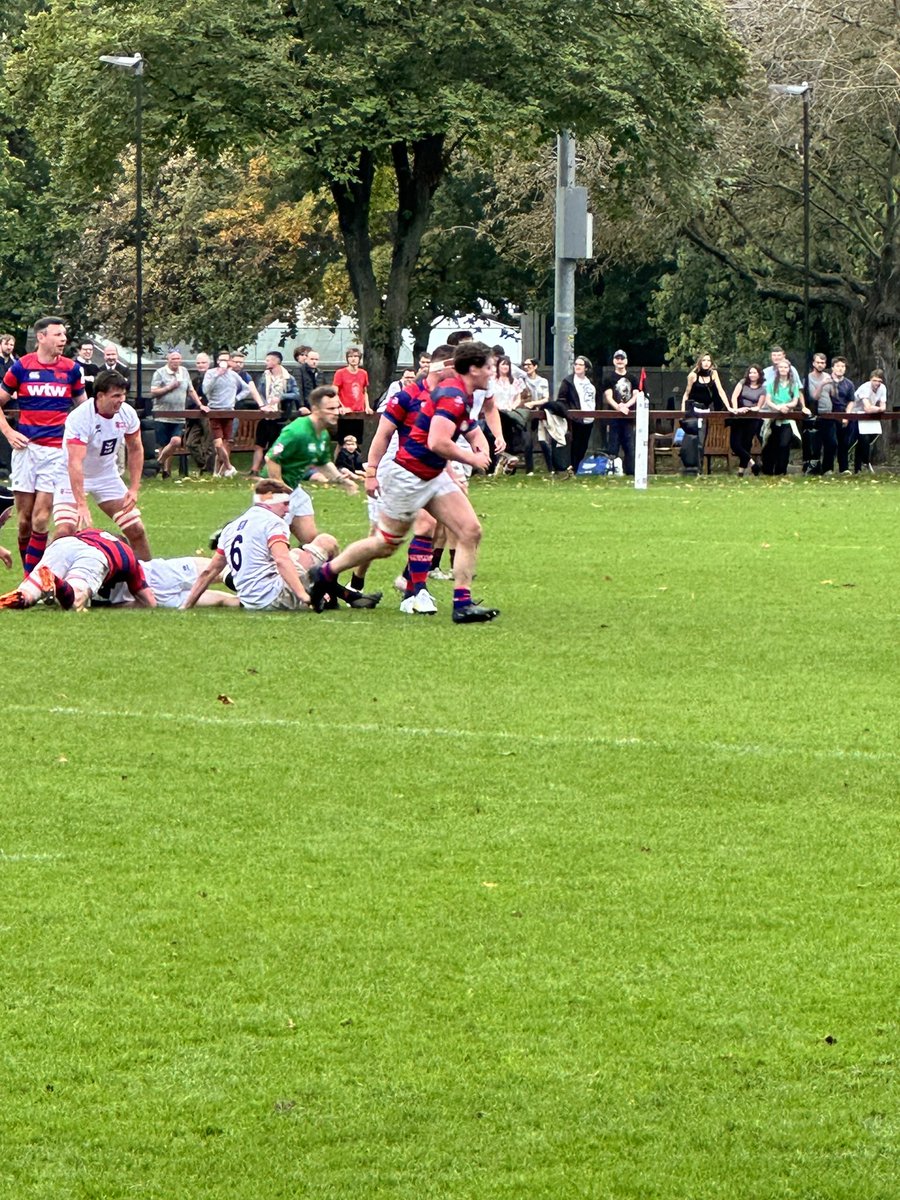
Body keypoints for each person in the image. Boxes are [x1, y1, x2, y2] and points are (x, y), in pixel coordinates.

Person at [306, 340, 500, 624]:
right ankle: (324, 573)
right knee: (385, 543)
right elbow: (437, 441)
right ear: (473, 369)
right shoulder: (452, 395)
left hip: (432, 474)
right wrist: (471, 459)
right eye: (489, 367)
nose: (492, 373)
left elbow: (464, 425)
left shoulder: (462, 393)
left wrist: (477, 450)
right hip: (408, 475)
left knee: (470, 530)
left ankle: (462, 604)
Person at [0, 315, 86, 573]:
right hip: (25, 451)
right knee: (24, 521)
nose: (64, 339)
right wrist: (8, 432)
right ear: (41, 337)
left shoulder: (71, 369)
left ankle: (32, 579)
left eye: (64, 335)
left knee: (40, 518)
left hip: (55, 452)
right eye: (58, 334)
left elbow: (84, 409)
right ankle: (32, 576)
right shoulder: (21, 367)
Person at [52, 368, 151, 560]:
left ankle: (149, 580)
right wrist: (81, 504)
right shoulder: (80, 417)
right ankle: (46, 579)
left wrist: (134, 488)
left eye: (123, 395)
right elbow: (75, 462)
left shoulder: (127, 414)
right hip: (70, 476)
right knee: (66, 530)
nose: (121, 400)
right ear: (100, 396)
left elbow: (136, 449)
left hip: (106, 476)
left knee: (136, 530)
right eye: (115, 395)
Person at [262, 385, 357, 545]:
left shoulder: (323, 434)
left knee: (313, 546)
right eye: (330, 408)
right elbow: (271, 458)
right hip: (272, 492)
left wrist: (342, 480)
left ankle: (308, 568)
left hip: (295, 490)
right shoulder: (296, 431)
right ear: (315, 409)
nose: (336, 412)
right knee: (270, 550)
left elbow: (323, 462)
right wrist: (281, 490)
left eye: (337, 407)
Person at [0, 527, 156, 611]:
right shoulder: (128, 556)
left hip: (64, 544)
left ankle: (4, 602)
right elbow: (150, 602)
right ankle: (54, 579)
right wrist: (112, 607)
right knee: (75, 600)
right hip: (96, 556)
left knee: (27, 594)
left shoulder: (92, 531)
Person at [104, 555, 240, 608]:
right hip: (159, 573)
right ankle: (257, 590)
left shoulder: (87, 596)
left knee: (224, 601)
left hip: (157, 599)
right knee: (222, 571)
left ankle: (256, 602)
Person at [150, 350, 199, 478]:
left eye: (178, 359)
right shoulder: (160, 373)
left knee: (175, 442)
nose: (176, 361)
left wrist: (200, 405)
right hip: (162, 414)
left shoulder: (184, 372)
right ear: (168, 360)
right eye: (173, 359)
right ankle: (166, 472)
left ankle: (159, 463)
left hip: (179, 415)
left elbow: (191, 390)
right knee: (163, 444)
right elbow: (153, 391)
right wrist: (169, 387)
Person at [680, 353, 731, 475]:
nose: (706, 363)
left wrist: (728, 407)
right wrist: (682, 412)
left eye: (709, 360)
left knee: (701, 441)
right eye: (704, 360)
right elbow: (686, 394)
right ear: (700, 362)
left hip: (705, 410)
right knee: (693, 440)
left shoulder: (714, 374)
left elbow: (720, 391)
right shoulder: (693, 376)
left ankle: (699, 470)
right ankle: (691, 468)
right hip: (693, 409)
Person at [250, 350, 299, 475]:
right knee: (259, 444)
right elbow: (259, 392)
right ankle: (254, 470)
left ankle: (271, 471)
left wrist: (281, 397)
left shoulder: (288, 378)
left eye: (268, 360)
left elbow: (296, 394)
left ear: (276, 361)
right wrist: (263, 404)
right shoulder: (264, 376)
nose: (266, 362)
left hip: (280, 416)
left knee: (275, 446)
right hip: (266, 415)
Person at [203, 350, 252, 477]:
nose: (224, 363)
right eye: (221, 360)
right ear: (218, 362)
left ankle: (217, 472)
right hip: (214, 411)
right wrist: (217, 374)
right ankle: (229, 466)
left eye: (226, 360)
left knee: (225, 443)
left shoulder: (234, 375)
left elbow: (247, 389)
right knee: (218, 443)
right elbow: (205, 389)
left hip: (229, 411)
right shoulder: (211, 373)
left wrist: (236, 398)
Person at [759, 359, 810, 475]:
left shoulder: (793, 384)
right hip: (773, 419)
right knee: (771, 445)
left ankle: (781, 470)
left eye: (785, 367)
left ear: (789, 369)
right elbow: (768, 400)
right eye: (781, 367)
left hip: (787, 419)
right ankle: (768, 470)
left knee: (784, 444)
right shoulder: (771, 384)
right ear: (778, 369)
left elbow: (795, 401)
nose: (783, 369)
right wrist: (778, 408)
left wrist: (786, 406)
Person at [602, 351, 641, 475]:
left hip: (628, 417)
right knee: (613, 446)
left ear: (626, 361)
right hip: (614, 417)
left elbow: (636, 395)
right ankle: (612, 472)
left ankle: (631, 473)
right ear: (614, 361)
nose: (620, 361)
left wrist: (626, 407)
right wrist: (618, 407)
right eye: (617, 358)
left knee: (629, 446)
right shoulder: (608, 378)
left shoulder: (633, 378)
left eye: (622, 358)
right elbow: (608, 396)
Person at [555, 356, 596, 474]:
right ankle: (571, 469)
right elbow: (561, 399)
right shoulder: (568, 381)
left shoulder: (590, 382)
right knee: (574, 445)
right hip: (575, 418)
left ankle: (575, 469)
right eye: (576, 364)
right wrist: (569, 413)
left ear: (586, 368)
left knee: (583, 447)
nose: (577, 366)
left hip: (589, 418)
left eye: (580, 364)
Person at [728, 365, 766, 477]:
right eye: (750, 373)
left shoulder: (763, 389)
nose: (752, 375)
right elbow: (734, 397)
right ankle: (753, 464)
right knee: (735, 444)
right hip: (739, 417)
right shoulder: (742, 383)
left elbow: (759, 406)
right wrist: (736, 410)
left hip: (752, 418)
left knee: (746, 444)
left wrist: (751, 409)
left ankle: (741, 472)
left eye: (754, 373)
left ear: (759, 374)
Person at [848, 368, 887, 473]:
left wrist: (877, 409)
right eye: (875, 380)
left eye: (879, 381)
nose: (877, 383)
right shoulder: (865, 387)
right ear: (870, 380)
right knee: (860, 440)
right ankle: (862, 463)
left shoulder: (883, 388)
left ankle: (860, 467)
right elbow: (867, 408)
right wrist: (878, 409)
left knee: (869, 438)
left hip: (869, 416)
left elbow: (883, 406)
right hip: (856, 414)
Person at [332, 346, 371, 443]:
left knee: (356, 442)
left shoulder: (363, 373)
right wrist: (341, 406)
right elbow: (334, 392)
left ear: (359, 359)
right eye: (350, 356)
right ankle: (337, 458)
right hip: (346, 413)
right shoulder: (340, 373)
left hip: (359, 412)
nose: (353, 358)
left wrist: (367, 407)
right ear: (347, 358)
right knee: (343, 443)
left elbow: (364, 392)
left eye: (356, 356)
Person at [185, 352, 215, 474]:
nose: (201, 365)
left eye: (203, 362)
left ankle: (208, 470)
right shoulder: (195, 379)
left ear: (209, 364)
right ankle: (203, 464)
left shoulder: (213, 377)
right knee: (190, 443)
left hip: (209, 413)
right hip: (195, 414)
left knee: (209, 443)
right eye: (198, 363)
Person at [520, 357, 550, 475]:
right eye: (525, 365)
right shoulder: (522, 380)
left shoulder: (542, 381)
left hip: (539, 412)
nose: (526, 367)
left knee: (543, 440)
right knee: (528, 441)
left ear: (535, 366)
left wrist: (532, 403)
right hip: (525, 413)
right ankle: (529, 470)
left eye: (529, 364)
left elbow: (545, 398)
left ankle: (551, 468)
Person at [829, 357, 856, 474]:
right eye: (838, 366)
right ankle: (827, 468)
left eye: (843, 366)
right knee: (831, 443)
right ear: (833, 368)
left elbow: (851, 400)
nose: (840, 369)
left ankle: (844, 468)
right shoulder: (827, 381)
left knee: (844, 443)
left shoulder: (849, 384)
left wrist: (847, 415)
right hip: (829, 415)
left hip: (844, 414)